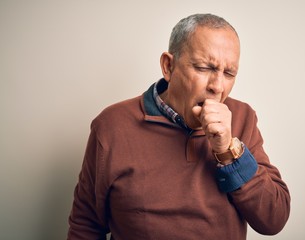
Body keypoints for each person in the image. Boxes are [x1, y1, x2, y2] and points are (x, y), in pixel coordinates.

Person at [67, 13, 290, 240]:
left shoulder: (242, 118)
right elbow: (86, 226)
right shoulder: (111, 126)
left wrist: (228, 153)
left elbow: (273, 220)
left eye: (229, 73)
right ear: (168, 66)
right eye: (204, 68)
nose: (218, 87)